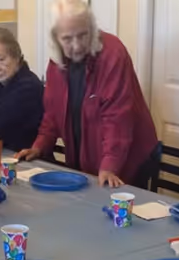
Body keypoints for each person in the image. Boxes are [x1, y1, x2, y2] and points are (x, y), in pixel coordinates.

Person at [15, 0, 158, 188]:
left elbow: (117, 118)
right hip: (86, 160)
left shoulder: (113, 54)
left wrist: (110, 166)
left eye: (83, 35)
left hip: (126, 157)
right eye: (67, 38)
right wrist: (39, 146)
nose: (76, 45)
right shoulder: (56, 63)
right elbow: (52, 113)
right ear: (56, 38)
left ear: (92, 29)